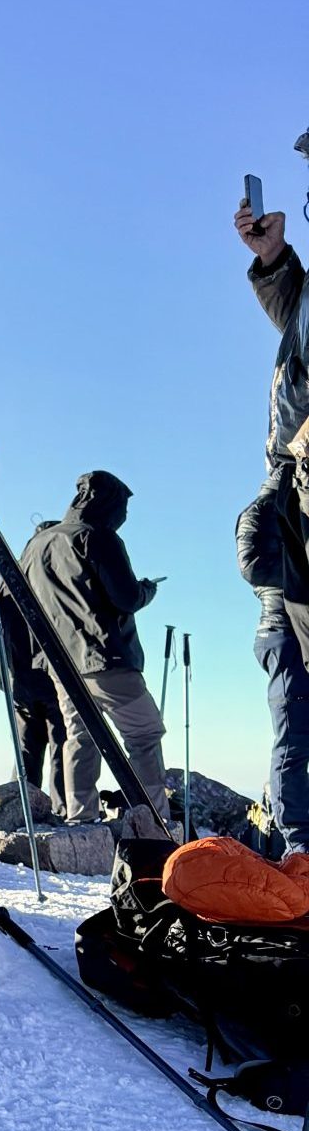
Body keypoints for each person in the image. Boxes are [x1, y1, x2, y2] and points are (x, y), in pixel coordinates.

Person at [20, 471, 169, 822]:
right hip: (106, 658)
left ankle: (80, 817)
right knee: (145, 734)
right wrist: (147, 589)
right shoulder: (97, 538)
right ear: (110, 504)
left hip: (60, 660)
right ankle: (153, 820)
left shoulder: (38, 544)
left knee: (79, 738)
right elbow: (126, 597)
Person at [236, 182, 309, 852]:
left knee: (295, 708)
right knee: (292, 705)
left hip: (291, 527)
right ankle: (297, 850)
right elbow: (299, 317)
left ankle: (297, 848)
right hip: (289, 533)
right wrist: (275, 258)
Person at [238, 476, 309, 854]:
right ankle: (299, 845)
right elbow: (253, 566)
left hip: (298, 631)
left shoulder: (294, 504)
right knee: (294, 739)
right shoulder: (263, 508)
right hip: (283, 631)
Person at [0, 523, 67, 809]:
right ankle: (65, 808)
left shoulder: (4, 576)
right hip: (51, 674)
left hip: (16, 677)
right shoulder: (51, 573)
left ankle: (22, 809)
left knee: (26, 748)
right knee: (63, 743)